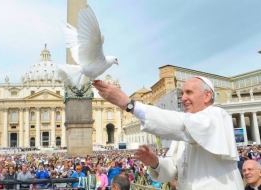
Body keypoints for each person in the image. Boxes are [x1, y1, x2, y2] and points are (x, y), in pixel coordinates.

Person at [92, 76, 244, 189]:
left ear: (207, 96)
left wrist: (130, 105)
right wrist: (155, 162)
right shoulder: (183, 134)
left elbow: (182, 125)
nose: (183, 98)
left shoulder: (217, 115)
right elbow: (172, 171)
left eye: (189, 92)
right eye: (182, 93)